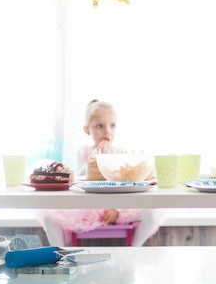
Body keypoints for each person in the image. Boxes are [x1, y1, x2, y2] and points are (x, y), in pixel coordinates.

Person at [40, 99, 163, 247]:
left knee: (151, 216)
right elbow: (79, 179)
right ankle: (60, 253)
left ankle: (133, 251)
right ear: (87, 130)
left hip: (116, 205)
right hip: (87, 206)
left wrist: (117, 208)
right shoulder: (84, 151)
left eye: (112, 125)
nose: (107, 131)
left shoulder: (119, 153)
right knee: (50, 217)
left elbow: (126, 184)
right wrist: (94, 156)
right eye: (100, 126)